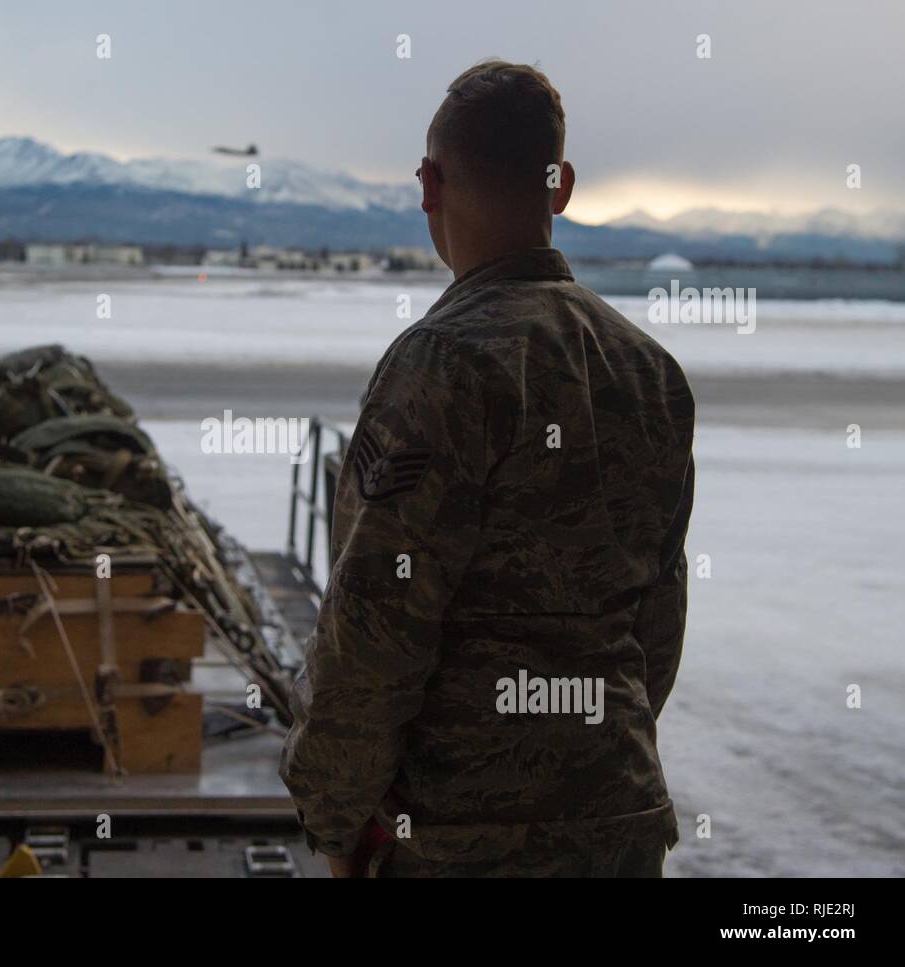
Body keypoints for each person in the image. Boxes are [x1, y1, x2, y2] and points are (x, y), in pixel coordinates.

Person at [279, 59, 696, 878]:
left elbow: (373, 629)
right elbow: (657, 624)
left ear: (429, 184)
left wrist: (335, 820)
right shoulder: (647, 371)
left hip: (455, 838)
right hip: (616, 823)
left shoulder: (440, 363)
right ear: (563, 185)